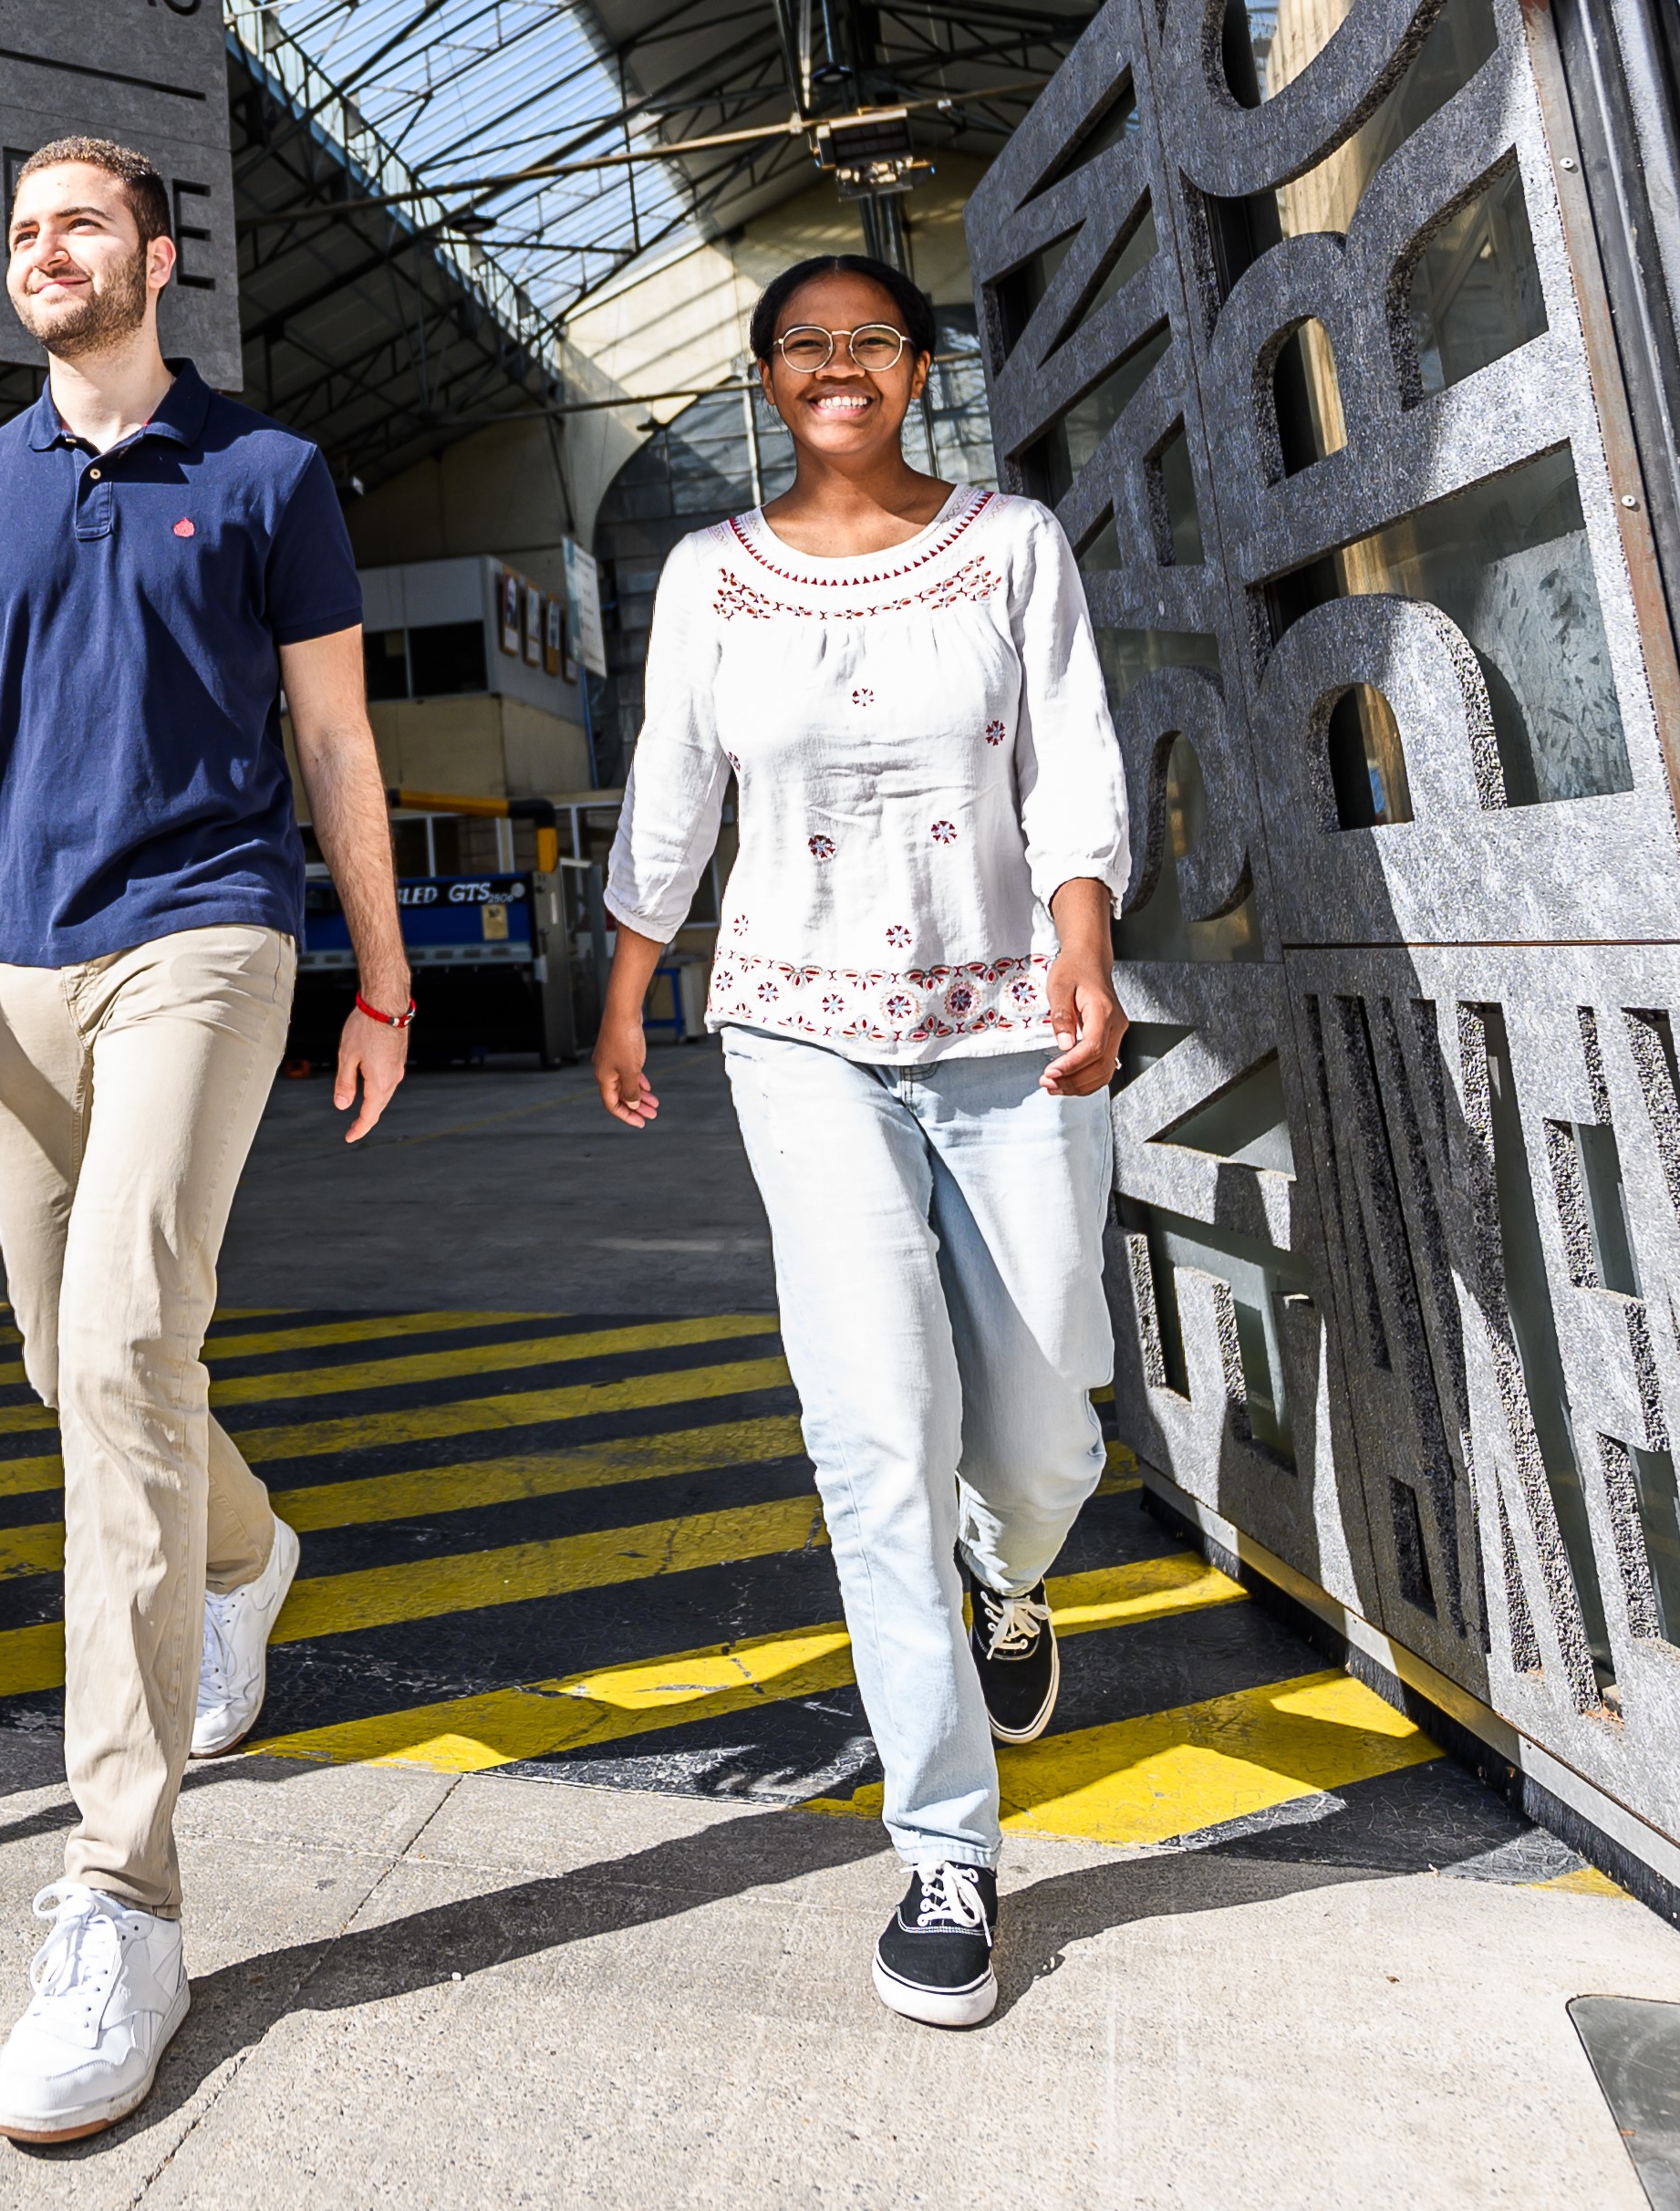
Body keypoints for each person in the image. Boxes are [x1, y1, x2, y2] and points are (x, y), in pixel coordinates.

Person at [0, 135, 416, 2142]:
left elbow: (333, 740)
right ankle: (246, 1545)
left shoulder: (271, 475)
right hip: (8, 963)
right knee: (72, 1360)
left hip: (210, 935)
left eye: (76, 225)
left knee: (128, 1352)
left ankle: (118, 1890)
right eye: (20, 231)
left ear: (153, 255)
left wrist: (381, 977)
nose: (44, 253)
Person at [589, 254, 1133, 2030]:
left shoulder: (1010, 546)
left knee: (1046, 1422)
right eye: (804, 347)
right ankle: (947, 1849)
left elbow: (1069, 751)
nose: (838, 369)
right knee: (876, 1434)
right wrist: (629, 977)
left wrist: (1082, 933)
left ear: (916, 370)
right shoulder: (710, 575)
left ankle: (1015, 1577)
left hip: (1012, 1027)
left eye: (870, 344)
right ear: (767, 381)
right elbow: (675, 772)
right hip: (797, 1032)